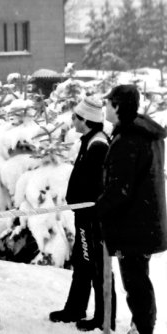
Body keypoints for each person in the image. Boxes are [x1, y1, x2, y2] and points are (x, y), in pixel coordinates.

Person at [97, 84, 167, 334]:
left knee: (135, 282)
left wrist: (100, 209)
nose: (104, 107)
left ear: (117, 106)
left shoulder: (129, 139)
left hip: (133, 225)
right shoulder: (145, 133)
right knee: (140, 280)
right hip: (145, 222)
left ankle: (143, 327)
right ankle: (142, 323)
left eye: (108, 103)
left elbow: (120, 188)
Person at [50, 96, 116, 330]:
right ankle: (74, 308)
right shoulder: (90, 140)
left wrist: (89, 210)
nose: (72, 121)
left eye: (75, 117)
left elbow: (97, 185)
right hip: (84, 216)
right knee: (83, 262)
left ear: (85, 119)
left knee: (96, 264)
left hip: (92, 219)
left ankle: (103, 316)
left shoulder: (98, 144)